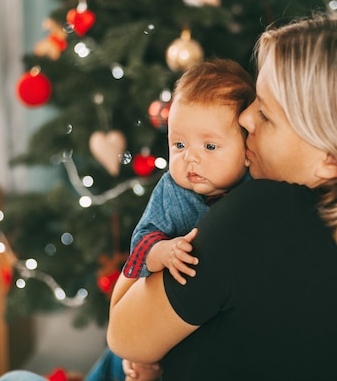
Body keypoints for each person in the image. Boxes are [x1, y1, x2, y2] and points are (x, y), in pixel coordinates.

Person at [106, 16, 337, 381]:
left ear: (331, 159)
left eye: (266, 114)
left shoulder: (259, 213)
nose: (245, 118)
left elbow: (124, 336)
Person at [86, 58, 255, 381]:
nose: (190, 157)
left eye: (209, 145)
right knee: (117, 365)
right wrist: (161, 252)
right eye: (179, 144)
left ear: (247, 147)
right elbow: (143, 240)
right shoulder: (172, 189)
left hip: (195, 333)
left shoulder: (254, 192)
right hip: (155, 314)